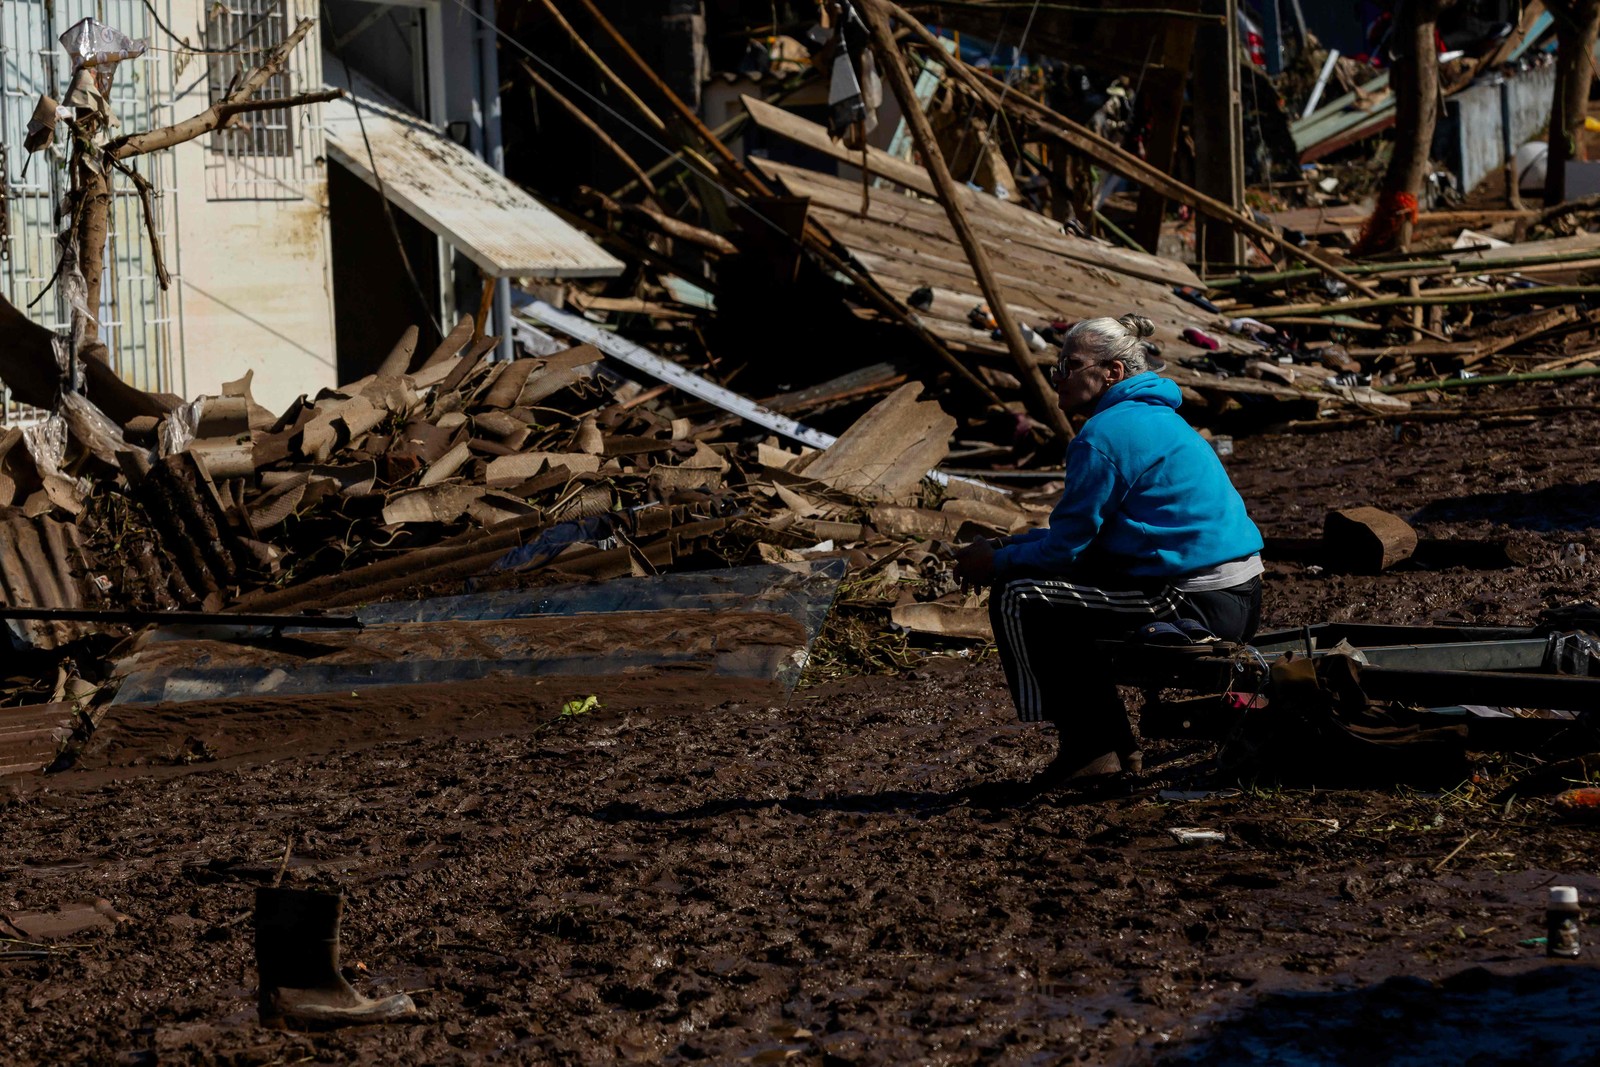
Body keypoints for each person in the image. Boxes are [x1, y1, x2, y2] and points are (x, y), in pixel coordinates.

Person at [954, 313, 1263, 790]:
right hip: (1230, 590)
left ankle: (1088, 747)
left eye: (1070, 365)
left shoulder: (1104, 436)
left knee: (1019, 596)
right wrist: (1007, 545)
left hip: (1192, 600)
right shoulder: (1155, 419)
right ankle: (1106, 745)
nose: (1058, 376)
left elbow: (1065, 551)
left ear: (1112, 372)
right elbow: (1081, 539)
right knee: (1057, 597)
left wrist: (994, 561)